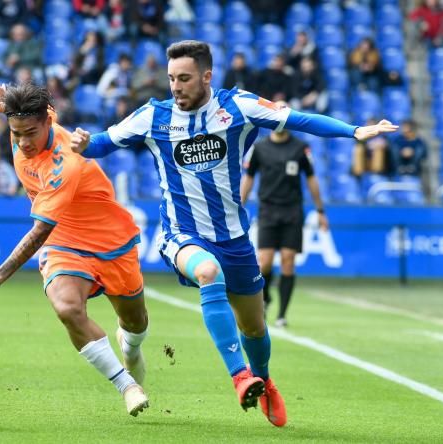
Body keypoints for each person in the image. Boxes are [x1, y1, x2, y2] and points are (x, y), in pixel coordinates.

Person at [69, 40, 397, 427]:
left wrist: (354, 131)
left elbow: (298, 119)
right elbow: (103, 144)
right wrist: (84, 143)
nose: (176, 87)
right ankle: (240, 376)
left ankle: (264, 380)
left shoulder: (236, 107)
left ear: (207, 76)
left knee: (255, 327)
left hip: (235, 238)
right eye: (172, 79)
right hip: (182, 232)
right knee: (208, 272)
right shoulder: (152, 116)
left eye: (185, 78)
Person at [0, 81, 151, 417]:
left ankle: (131, 348)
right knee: (66, 308)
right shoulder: (25, 125)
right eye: (15, 132)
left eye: (29, 133)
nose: (22, 142)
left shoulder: (65, 162)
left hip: (109, 239)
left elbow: (38, 230)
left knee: (135, 323)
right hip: (64, 240)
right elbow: (49, 232)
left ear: (48, 121)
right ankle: (127, 386)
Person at [240, 105, 329, 328]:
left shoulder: (301, 148)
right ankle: (266, 298)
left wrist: (320, 211)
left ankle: (281, 314)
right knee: (265, 263)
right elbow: (249, 178)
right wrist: (238, 206)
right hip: (268, 210)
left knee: (288, 261)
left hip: (292, 211)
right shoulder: (259, 148)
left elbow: (311, 179)